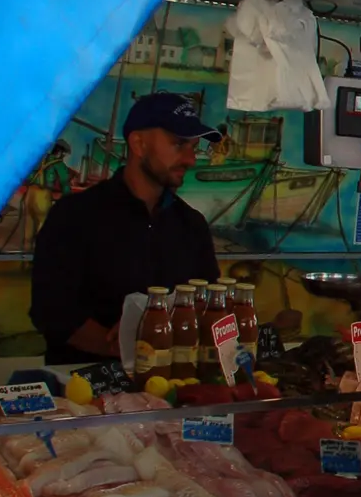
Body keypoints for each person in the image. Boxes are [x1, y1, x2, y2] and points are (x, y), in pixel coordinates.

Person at [29, 93, 220, 363]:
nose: (191, 159)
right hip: (85, 389)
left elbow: (209, 301)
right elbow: (51, 311)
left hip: (175, 387)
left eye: (194, 147)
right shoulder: (74, 216)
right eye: (179, 145)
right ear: (139, 144)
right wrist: (124, 345)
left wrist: (161, 330)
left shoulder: (192, 224)